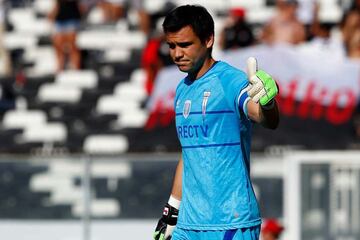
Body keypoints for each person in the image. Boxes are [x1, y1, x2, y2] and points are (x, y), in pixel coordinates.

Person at [153, 5, 279, 240]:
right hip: (189, 225)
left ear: (209, 39)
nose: (177, 53)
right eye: (172, 46)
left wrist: (268, 103)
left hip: (230, 222)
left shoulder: (230, 81)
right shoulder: (182, 89)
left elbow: (264, 117)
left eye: (185, 45)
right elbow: (189, 153)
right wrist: (171, 211)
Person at [48, 0, 84, 71]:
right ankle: (60, 68)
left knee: (73, 46)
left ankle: (76, 68)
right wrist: (52, 17)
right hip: (60, 21)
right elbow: (57, 6)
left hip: (72, 19)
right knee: (58, 46)